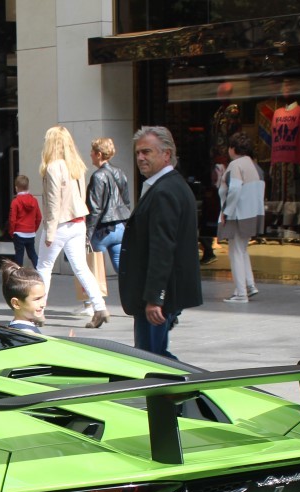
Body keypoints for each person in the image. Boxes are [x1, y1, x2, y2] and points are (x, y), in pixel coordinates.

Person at [118, 126, 203, 359]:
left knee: (152, 359)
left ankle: (183, 392)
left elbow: (163, 248)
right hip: (159, 295)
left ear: (166, 154)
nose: (140, 158)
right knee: (154, 356)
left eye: (147, 152)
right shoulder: (165, 186)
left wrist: (156, 298)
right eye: (137, 153)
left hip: (158, 298)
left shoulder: (166, 190)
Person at [35, 125, 109, 327]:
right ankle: (99, 306)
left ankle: (38, 310)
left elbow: (53, 202)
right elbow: (81, 197)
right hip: (78, 221)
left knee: (44, 267)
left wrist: (49, 231)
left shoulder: (53, 167)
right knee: (81, 268)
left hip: (60, 223)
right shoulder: (75, 164)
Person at [218, 131, 266, 303]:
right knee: (242, 250)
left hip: (238, 214)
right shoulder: (254, 165)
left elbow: (235, 188)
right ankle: (250, 285)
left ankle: (240, 293)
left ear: (233, 148)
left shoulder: (236, 165)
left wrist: (226, 211)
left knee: (235, 252)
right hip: (252, 213)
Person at [85, 137, 132, 273]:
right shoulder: (120, 172)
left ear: (99, 154)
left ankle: (95, 294)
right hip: (119, 228)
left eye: (92, 152)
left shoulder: (98, 176)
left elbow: (95, 209)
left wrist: (87, 235)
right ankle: (133, 292)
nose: (90, 154)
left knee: (94, 271)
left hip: (103, 230)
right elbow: (126, 202)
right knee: (123, 269)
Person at [1, 260, 47, 336]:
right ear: (16, 303)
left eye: (43, 297)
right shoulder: (27, 334)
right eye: (37, 299)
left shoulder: (16, 328)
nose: (43, 304)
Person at [9, 175, 41, 267]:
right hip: (30, 233)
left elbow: (12, 219)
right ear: (28, 187)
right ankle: (41, 272)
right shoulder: (34, 201)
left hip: (18, 233)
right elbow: (39, 217)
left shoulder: (15, 202)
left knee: (19, 256)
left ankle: (19, 276)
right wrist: (34, 229)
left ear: (16, 188)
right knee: (32, 254)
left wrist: (12, 232)